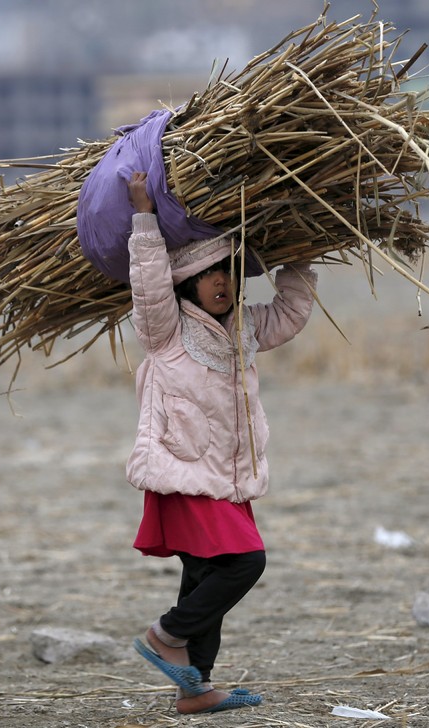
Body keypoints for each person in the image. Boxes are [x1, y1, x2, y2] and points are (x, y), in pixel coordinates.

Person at [125, 170, 317, 715]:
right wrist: (144, 216)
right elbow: (148, 283)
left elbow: (290, 313)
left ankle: (195, 687)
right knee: (245, 563)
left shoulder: (244, 329)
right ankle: (165, 635)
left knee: (204, 578)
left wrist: (303, 257)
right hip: (185, 475)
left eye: (228, 272)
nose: (221, 283)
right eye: (208, 274)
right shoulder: (166, 330)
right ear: (186, 283)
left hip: (226, 482)